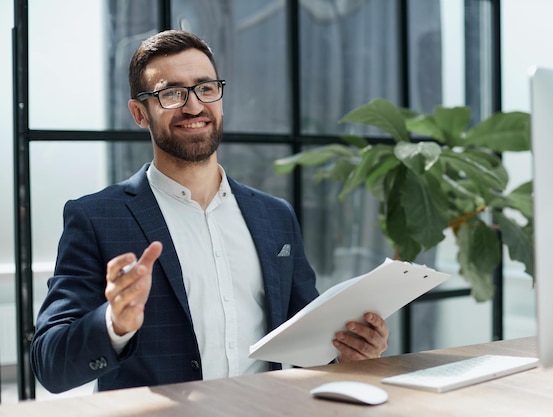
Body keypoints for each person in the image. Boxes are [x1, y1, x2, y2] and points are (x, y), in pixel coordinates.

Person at [30, 29, 389, 394]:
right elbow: (50, 363)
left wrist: (347, 352)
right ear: (140, 113)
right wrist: (114, 324)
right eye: (171, 93)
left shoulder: (274, 216)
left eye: (206, 88)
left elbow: (307, 341)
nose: (194, 106)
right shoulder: (95, 218)